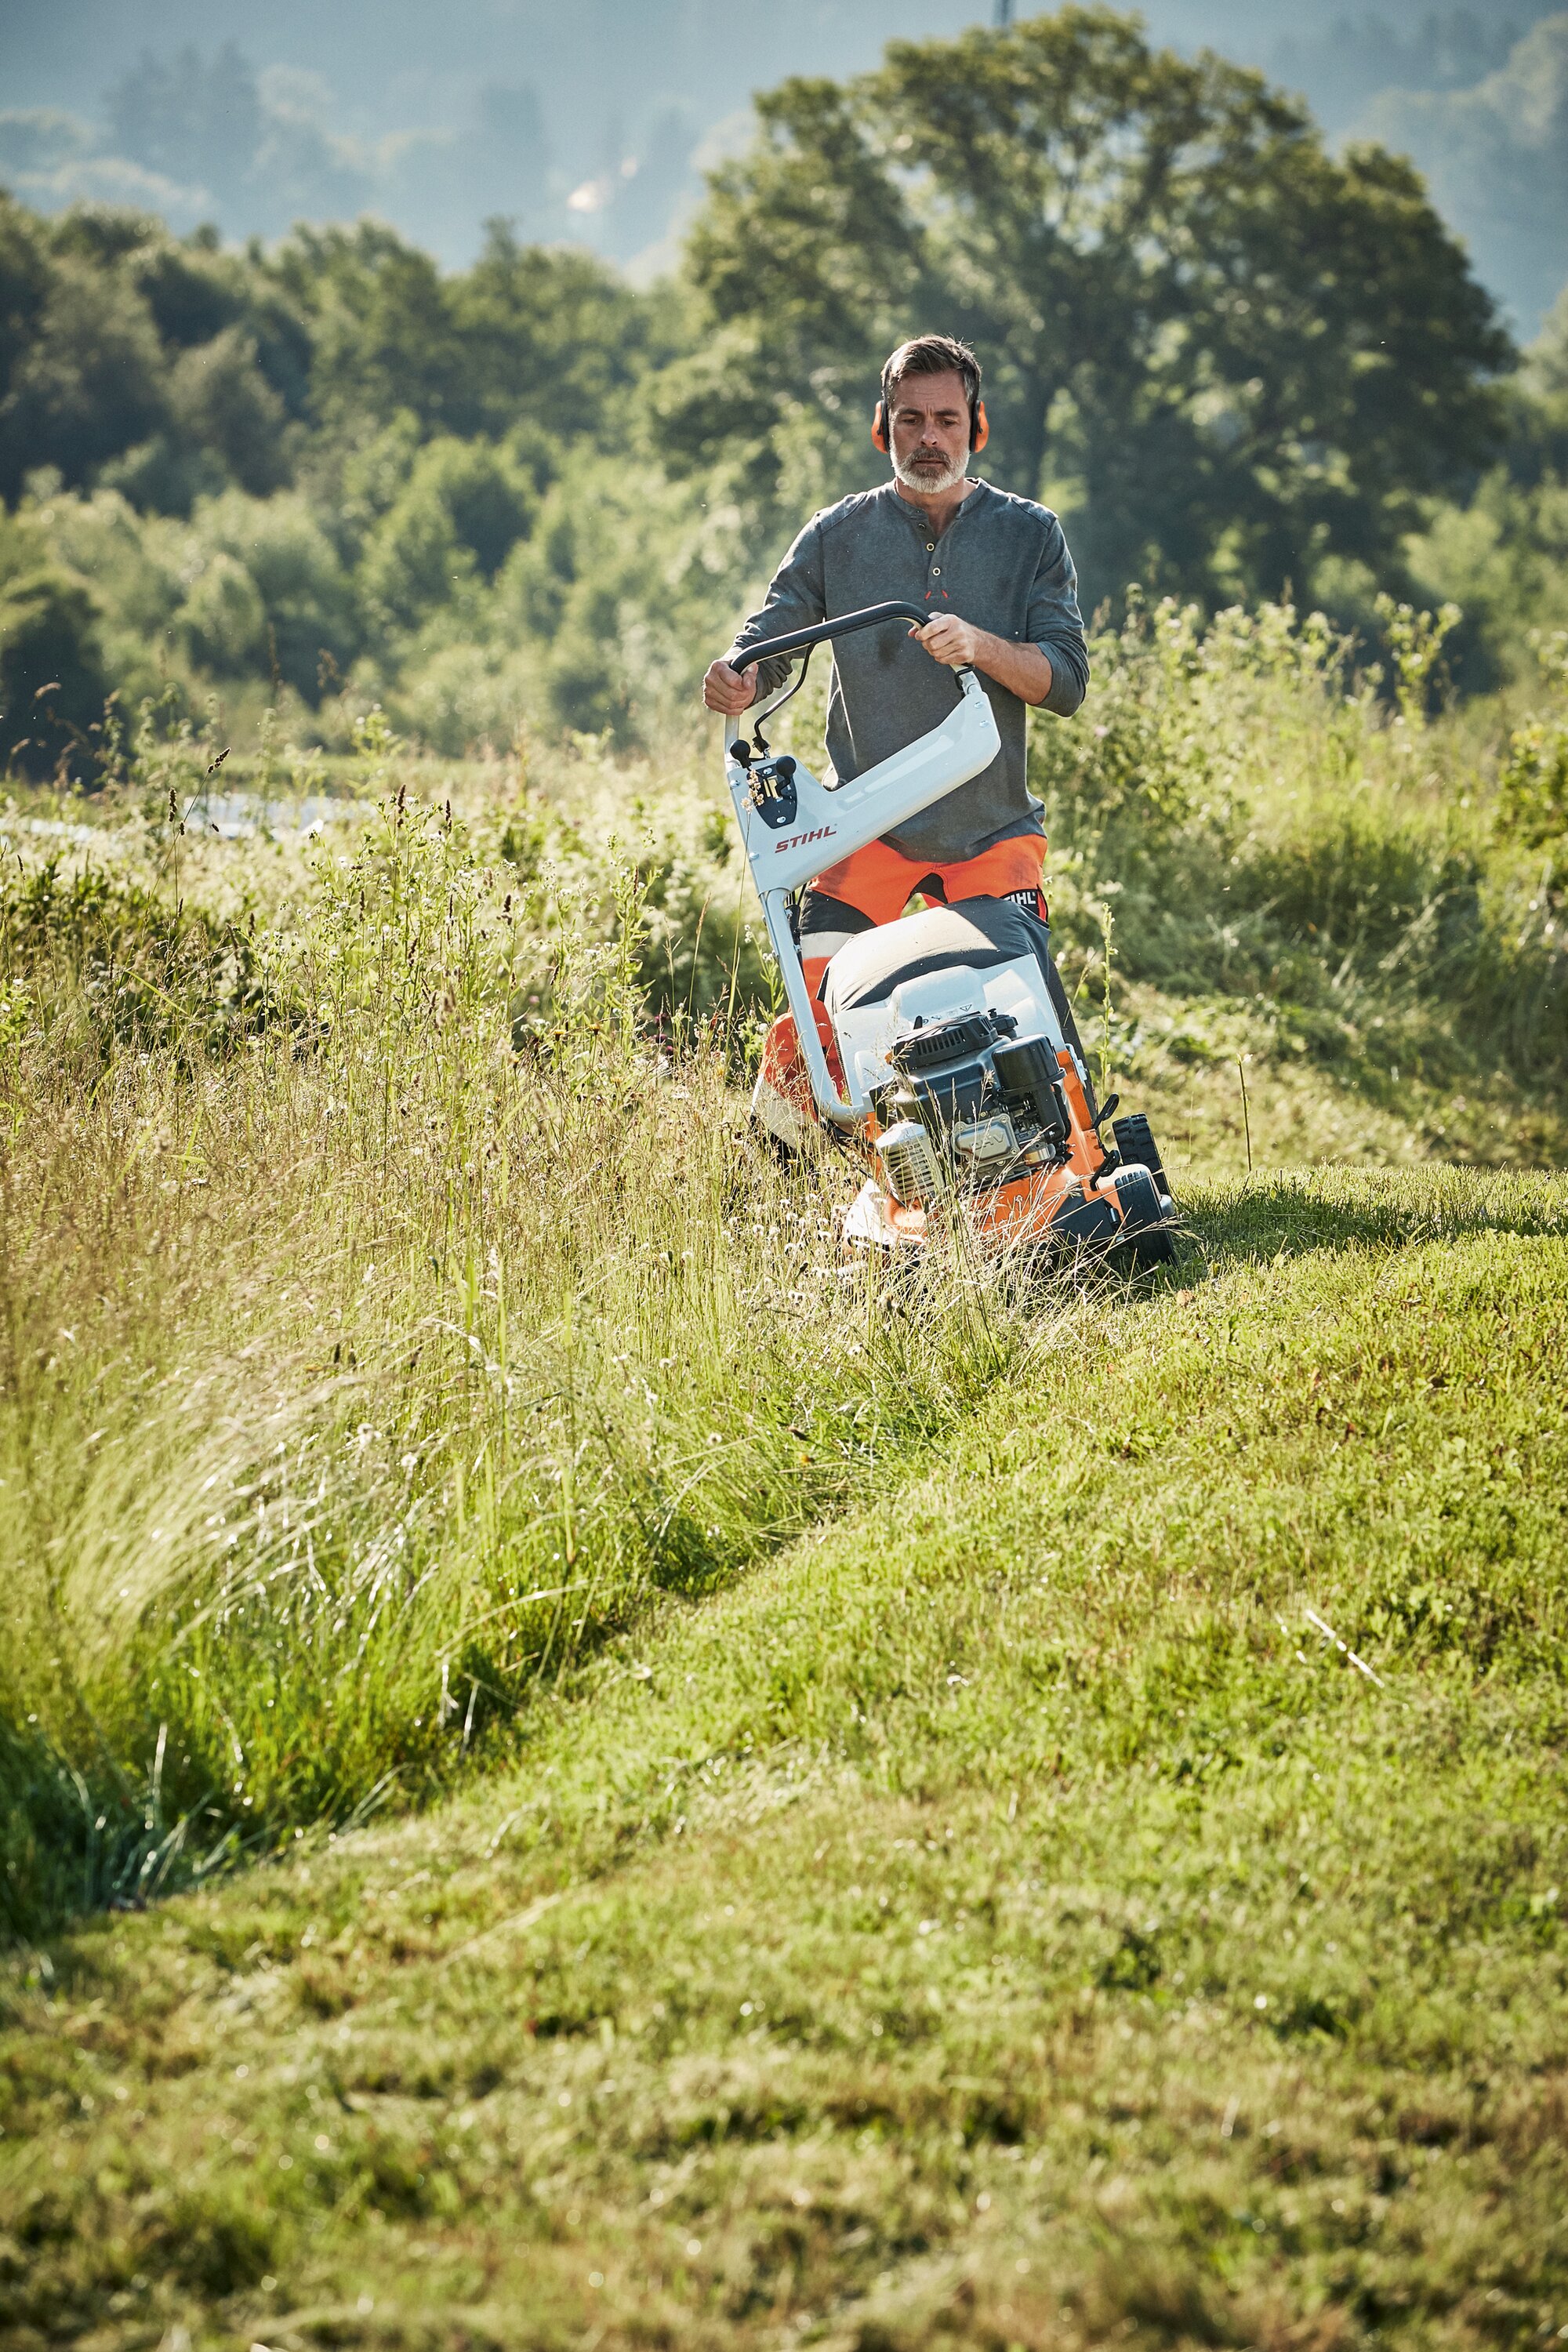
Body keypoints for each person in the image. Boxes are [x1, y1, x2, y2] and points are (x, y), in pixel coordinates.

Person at [703, 331, 1091, 1147]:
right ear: (881, 428)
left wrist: (981, 646)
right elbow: (770, 639)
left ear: (975, 428)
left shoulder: (1029, 535)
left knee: (1022, 1004)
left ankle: (1072, 1168)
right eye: (909, 419)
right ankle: (772, 1183)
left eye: (945, 419)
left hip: (988, 828)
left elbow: (1064, 681)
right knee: (815, 1012)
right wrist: (738, 675)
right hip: (865, 829)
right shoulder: (834, 533)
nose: (927, 438)